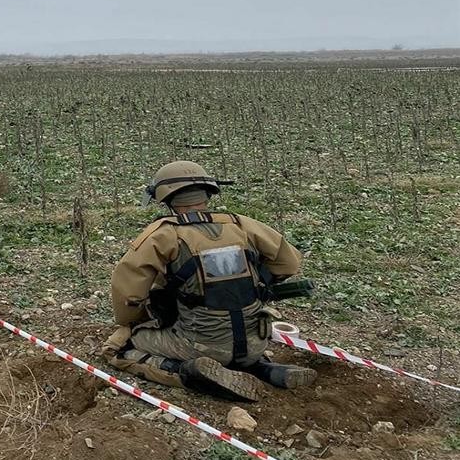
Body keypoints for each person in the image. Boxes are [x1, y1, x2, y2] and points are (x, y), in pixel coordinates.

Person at [102, 160, 317, 401]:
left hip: (199, 345)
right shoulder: (241, 224)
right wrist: (259, 283)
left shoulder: (164, 234)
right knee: (233, 338)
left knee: (116, 347)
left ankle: (189, 374)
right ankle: (262, 368)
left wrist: (134, 322)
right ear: (207, 192)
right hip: (255, 341)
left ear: (166, 197)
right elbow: (289, 263)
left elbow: (128, 295)